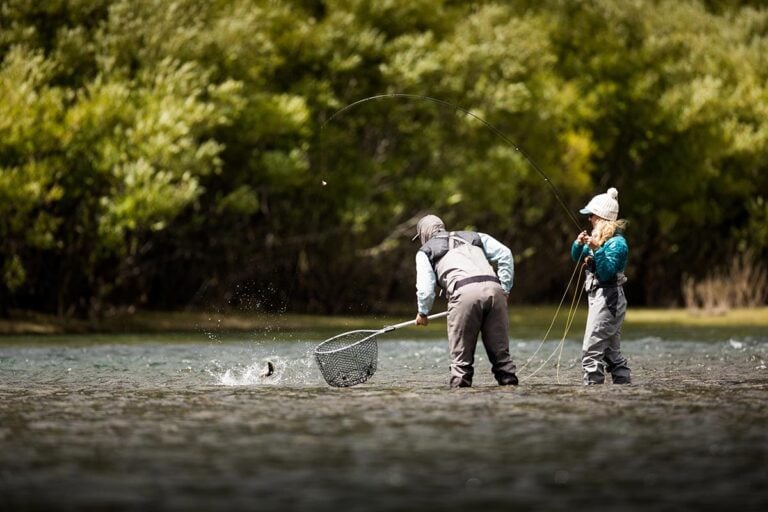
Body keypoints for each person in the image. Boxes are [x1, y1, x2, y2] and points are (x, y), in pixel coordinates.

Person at [412, 214, 518, 388]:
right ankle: (511, 396)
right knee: (503, 362)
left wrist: (423, 313)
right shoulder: (475, 236)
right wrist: (504, 289)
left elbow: (425, 289)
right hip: (495, 291)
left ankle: (461, 408)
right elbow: (505, 254)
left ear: (423, 234)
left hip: (464, 295)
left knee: (461, 365)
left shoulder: (425, 251)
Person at [571, 187, 631, 385]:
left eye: (592, 216)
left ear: (601, 218)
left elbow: (606, 273)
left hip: (609, 299)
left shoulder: (617, 244)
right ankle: (624, 391)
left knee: (591, 353)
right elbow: (577, 258)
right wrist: (579, 245)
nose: (589, 219)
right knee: (611, 354)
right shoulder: (598, 240)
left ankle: (593, 397)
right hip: (600, 299)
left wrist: (597, 250)